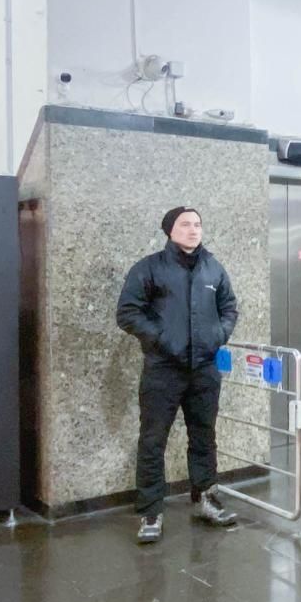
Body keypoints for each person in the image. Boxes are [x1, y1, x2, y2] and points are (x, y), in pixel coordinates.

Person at [115, 206, 240, 544]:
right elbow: (127, 312)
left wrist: (219, 334)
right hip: (163, 369)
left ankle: (205, 499)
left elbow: (229, 308)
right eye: (185, 224)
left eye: (197, 224)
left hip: (205, 369)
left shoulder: (213, 268)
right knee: (153, 440)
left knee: (204, 436)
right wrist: (160, 338)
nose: (193, 230)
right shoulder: (149, 268)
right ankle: (151, 512)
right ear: (170, 230)